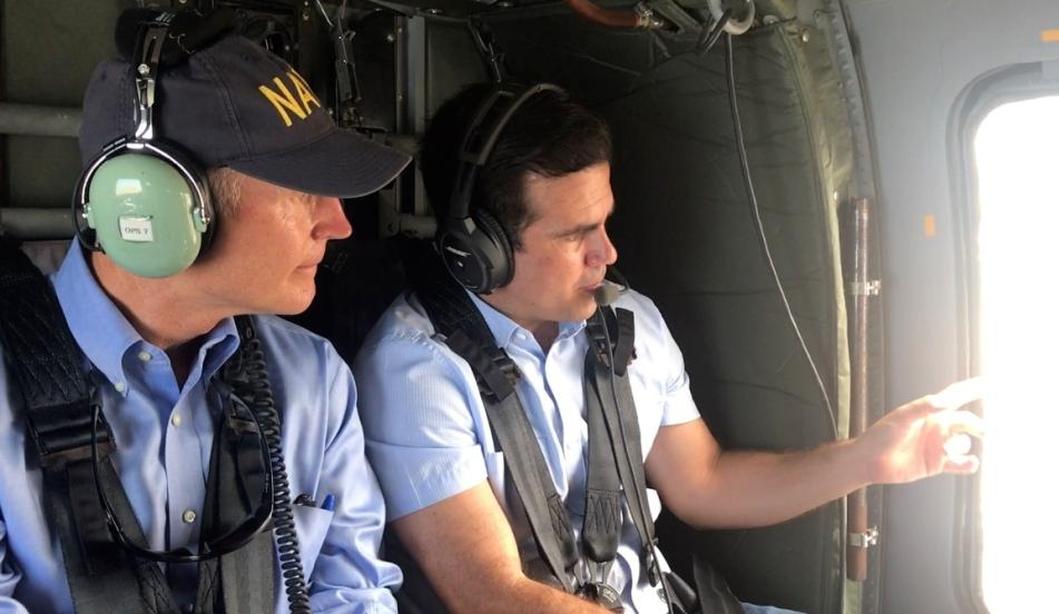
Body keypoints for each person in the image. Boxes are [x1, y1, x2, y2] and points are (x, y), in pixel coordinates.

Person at [353, 83, 984, 613]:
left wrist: (868, 459)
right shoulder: (417, 369)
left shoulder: (628, 320)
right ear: (479, 249)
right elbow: (495, 597)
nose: (608, 253)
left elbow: (704, 484)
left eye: (604, 222)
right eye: (577, 234)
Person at [0, 18, 411, 614]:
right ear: (159, 204)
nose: (340, 225)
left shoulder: (313, 379)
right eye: (303, 192)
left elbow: (352, 594)